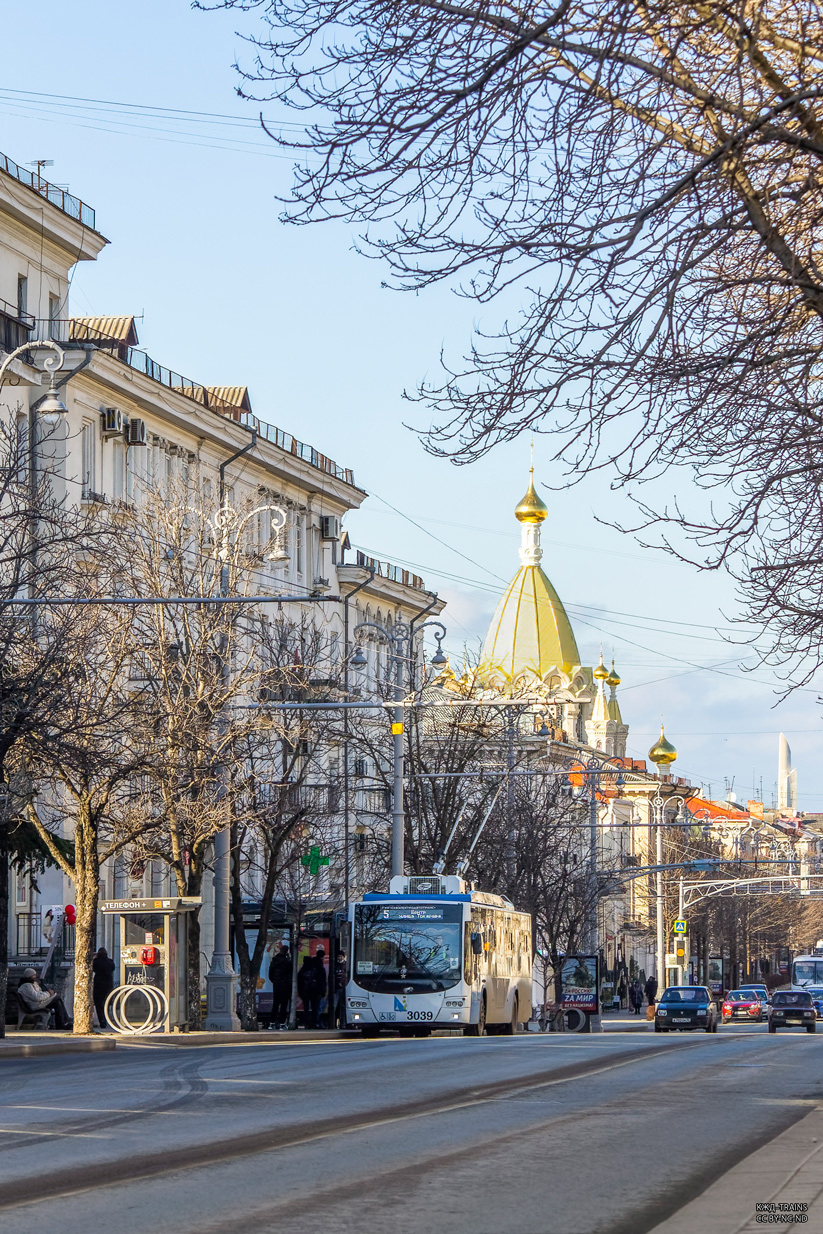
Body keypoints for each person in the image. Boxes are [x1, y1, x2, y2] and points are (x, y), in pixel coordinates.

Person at [269, 943, 292, 1029]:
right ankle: (282, 1023)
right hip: (285, 985)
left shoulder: (274, 961)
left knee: (275, 1004)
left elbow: (270, 974)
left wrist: (275, 981)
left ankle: (271, 1023)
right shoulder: (287, 962)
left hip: (276, 985)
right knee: (283, 1005)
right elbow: (290, 972)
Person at [92, 947, 116, 1029]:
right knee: (106, 1002)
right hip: (108, 984)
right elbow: (113, 968)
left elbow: (93, 969)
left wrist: (94, 958)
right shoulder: (110, 962)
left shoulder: (96, 962)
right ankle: (106, 1019)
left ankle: (101, 1020)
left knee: (99, 1004)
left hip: (98, 984)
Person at [333, 949, 347, 1028]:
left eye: (341, 956)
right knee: (335, 1006)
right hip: (337, 989)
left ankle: (343, 1024)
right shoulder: (335, 965)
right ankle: (334, 1023)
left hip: (344, 989)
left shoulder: (346, 966)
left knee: (343, 1007)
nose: (340, 958)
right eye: (339, 956)